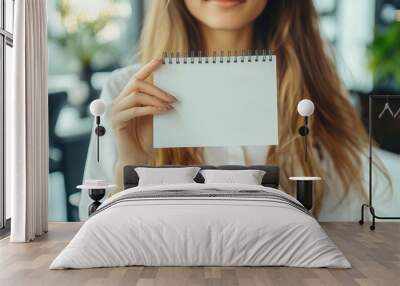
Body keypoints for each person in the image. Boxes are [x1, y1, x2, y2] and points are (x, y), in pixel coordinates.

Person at [80, 0, 390, 220]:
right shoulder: (126, 90)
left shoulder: (313, 92)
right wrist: (134, 163)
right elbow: (93, 226)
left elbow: (345, 221)